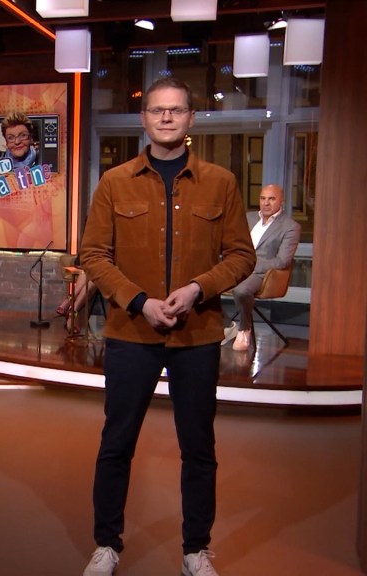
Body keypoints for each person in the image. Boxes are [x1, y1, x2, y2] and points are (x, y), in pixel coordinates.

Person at [79, 78, 255, 576]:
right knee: (116, 444)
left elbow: (242, 255)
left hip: (197, 335)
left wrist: (198, 288)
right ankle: (106, 545)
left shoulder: (221, 182)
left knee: (198, 448)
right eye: (158, 110)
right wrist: (140, 301)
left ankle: (195, 550)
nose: (166, 117)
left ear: (191, 118)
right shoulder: (115, 182)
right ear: (144, 119)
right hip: (130, 333)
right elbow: (93, 254)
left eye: (176, 110)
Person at [221, 184, 301, 351]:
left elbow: (282, 261)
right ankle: (227, 325)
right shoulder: (248, 218)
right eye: (263, 198)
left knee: (241, 290)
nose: (266, 203)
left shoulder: (290, 226)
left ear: (281, 201)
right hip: (237, 266)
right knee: (205, 284)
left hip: (262, 273)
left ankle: (244, 328)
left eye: (271, 199)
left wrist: (252, 265)